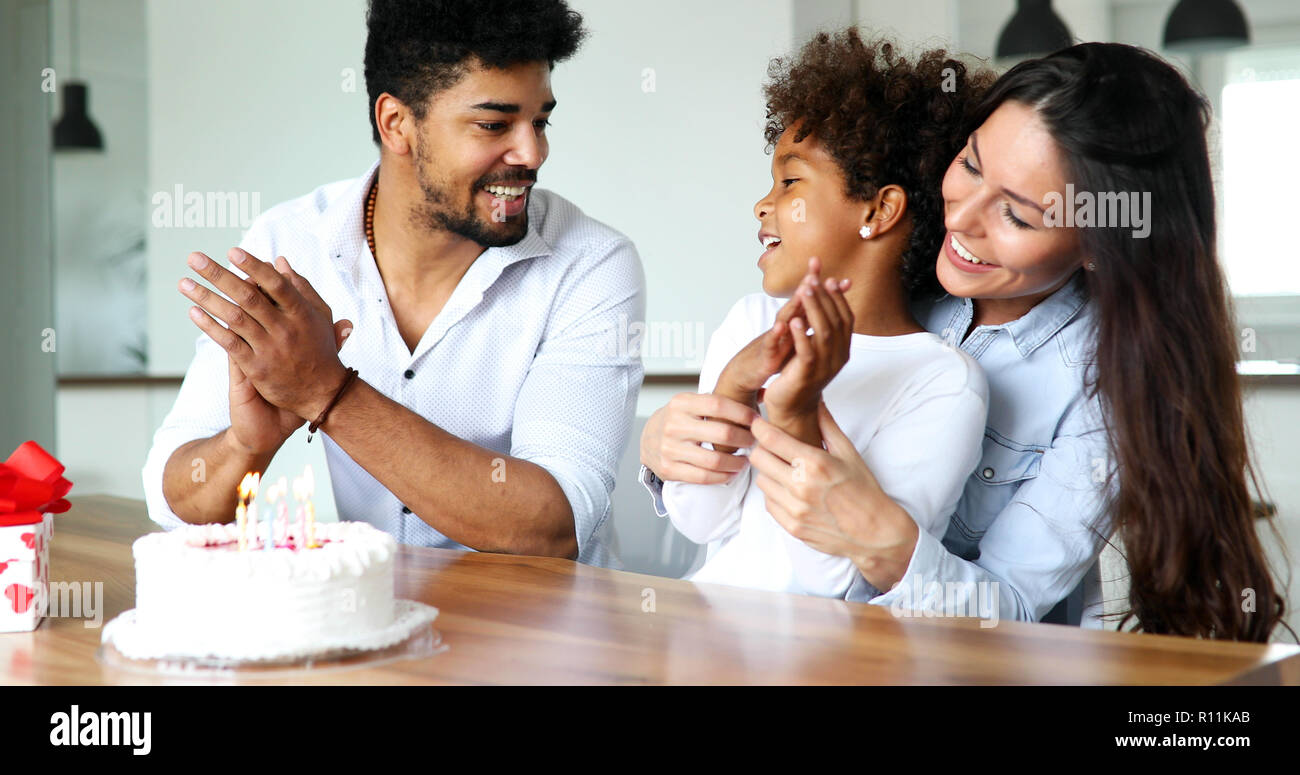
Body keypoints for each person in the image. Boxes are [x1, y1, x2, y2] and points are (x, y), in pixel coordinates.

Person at [641, 41, 1289, 640]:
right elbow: (724, 509)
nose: (961, 217)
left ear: (1100, 245)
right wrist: (661, 446)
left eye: (1017, 213)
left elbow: (1006, 609)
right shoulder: (892, 275)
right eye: (970, 164)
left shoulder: (1106, 391)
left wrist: (885, 542)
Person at [142, 0, 645, 566]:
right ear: (397, 123)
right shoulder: (289, 247)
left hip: (547, 638)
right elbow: (173, 500)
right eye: (494, 124)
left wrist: (327, 392)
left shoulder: (591, 263)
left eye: (540, 121)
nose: (534, 152)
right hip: (374, 621)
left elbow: (555, 526)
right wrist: (245, 447)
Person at [654, 31, 993, 600]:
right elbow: (699, 521)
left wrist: (796, 413)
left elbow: (838, 588)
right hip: (704, 632)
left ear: (879, 210)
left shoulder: (944, 382)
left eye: (790, 182)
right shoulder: (750, 322)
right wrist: (736, 387)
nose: (762, 204)